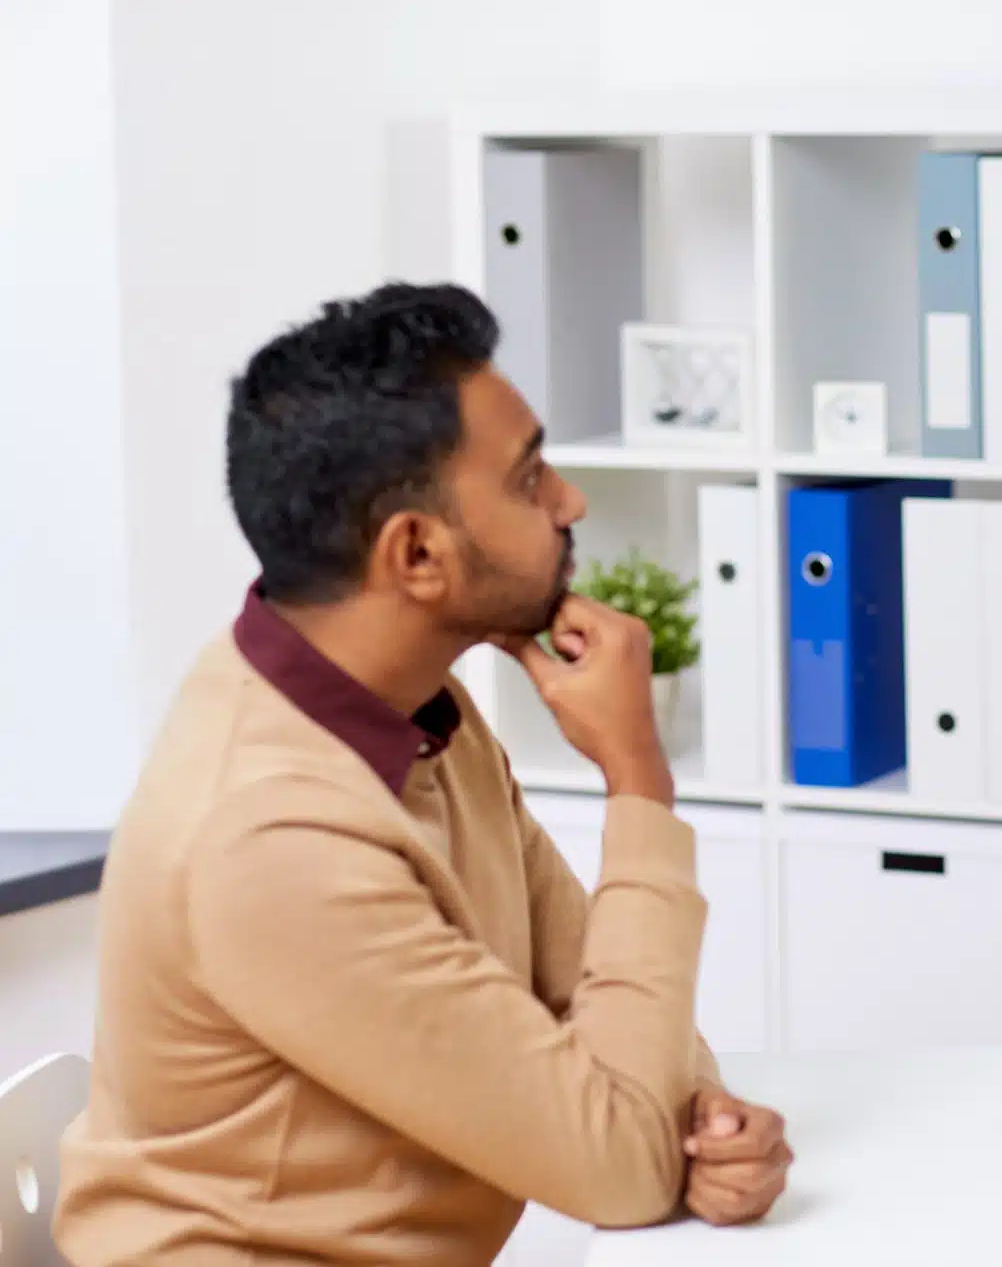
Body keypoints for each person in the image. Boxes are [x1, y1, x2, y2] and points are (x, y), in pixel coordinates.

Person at [56, 284, 790, 1264]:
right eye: (529, 479)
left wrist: (699, 1119)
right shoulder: (271, 836)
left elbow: (588, 992)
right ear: (416, 553)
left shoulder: (415, 709)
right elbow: (618, 1166)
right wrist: (637, 779)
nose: (568, 501)